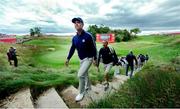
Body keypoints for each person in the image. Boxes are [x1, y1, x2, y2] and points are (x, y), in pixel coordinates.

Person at [65, 17, 97, 102]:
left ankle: (81, 93)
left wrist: (95, 58)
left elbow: (94, 48)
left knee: (80, 75)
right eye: (75, 23)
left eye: (78, 22)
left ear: (82, 24)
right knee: (85, 74)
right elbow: (72, 49)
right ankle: (88, 87)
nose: (76, 24)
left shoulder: (88, 35)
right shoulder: (75, 38)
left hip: (89, 58)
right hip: (81, 59)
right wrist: (68, 58)